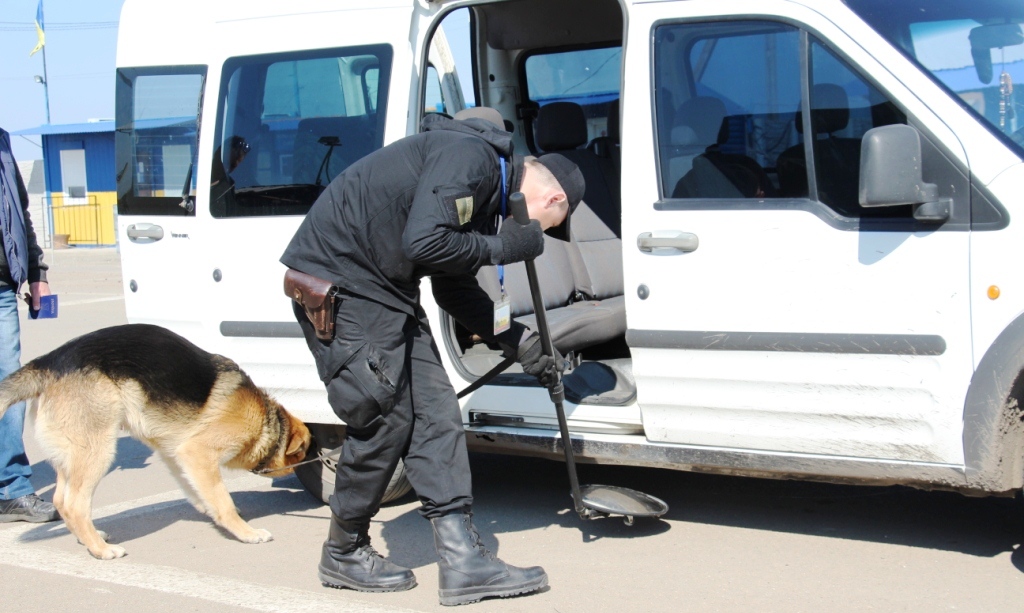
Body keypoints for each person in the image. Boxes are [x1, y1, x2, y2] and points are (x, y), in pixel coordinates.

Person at [281, 112, 584, 605]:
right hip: (344, 287)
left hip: (386, 292)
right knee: (386, 419)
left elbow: (451, 286)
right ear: (554, 199)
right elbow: (423, 242)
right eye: (550, 226)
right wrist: (508, 246)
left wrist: (520, 341)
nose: (539, 233)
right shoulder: (472, 159)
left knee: (437, 415)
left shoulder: (486, 192)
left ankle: (464, 564)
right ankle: (343, 549)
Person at [0, 127, 58, 523]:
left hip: (3, 286)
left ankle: (11, 489)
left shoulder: (2, 140)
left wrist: (36, 269)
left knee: (9, 385)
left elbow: (19, 211)